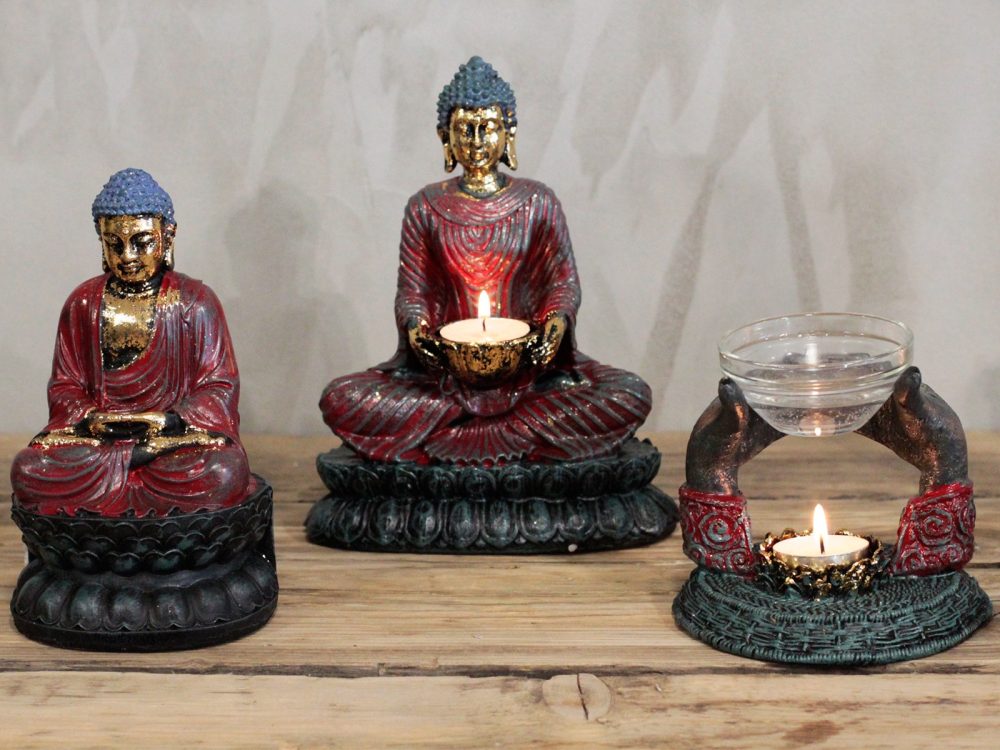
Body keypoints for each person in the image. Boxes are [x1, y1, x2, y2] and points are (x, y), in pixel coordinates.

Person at [320, 57, 652, 464]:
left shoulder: (537, 201)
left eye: (488, 127)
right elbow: (413, 292)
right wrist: (418, 332)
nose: (476, 140)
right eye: (464, 129)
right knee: (341, 398)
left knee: (628, 393)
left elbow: (561, 283)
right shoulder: (425, 206)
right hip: (444, 380)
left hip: (529, 378)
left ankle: (458, 438)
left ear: (508, 132)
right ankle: (521, 442)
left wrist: (554, 325)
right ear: (446, 136)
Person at [11, 168, 252, 516]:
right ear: (101, 242)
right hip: (101, 440)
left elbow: (219, 387)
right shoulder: (83, 303)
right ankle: (130, 478)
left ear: (167, 237)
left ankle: (125, 485)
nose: (127, 256)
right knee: (30, 469)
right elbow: (65, 385)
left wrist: (167, 420)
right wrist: (92, 418)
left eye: (142, 242)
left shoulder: (194, 302)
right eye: (115, 244)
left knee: (222, 472)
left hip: (170, 440)